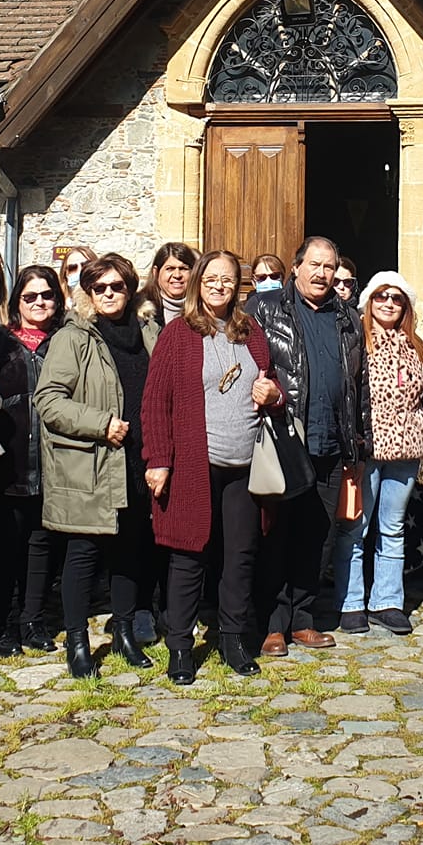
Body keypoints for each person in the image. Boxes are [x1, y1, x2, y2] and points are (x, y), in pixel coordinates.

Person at [142, 249, 283, 682]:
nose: (220, 286)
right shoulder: (178, 335)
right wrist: (159, 461)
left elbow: (271, 385)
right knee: (188, 556)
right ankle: (181, 646)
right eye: (211, 279)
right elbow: (155, 404)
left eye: (227, 280)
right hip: (193, 464)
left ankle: (234, 639)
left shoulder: (250, 331)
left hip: (244, 464)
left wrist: (272, 394)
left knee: (240, 557)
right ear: (198, 283)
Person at [36, 253, 160, 679]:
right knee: (84, 555)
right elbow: (48, 400)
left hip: (139, 460)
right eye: (100, 288)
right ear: (88, 292)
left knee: (130, 552)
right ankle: (77, 642)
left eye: (117, 286)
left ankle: (124, 633)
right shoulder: (74, 338)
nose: (110, 294)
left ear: (130, 288)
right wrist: (100, 423)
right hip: (92, 462)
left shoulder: (147, 333)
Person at [251, 236, 371, 655]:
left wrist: (361, 441)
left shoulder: (348, 318)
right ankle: (271, 624)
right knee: (278, 534)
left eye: (329, 267)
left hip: (333, 441)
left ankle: (303, 619)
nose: (322, 274)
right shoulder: (265, 310)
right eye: (314, 265)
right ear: (296, 267)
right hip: (287, 438)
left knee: (318, 535)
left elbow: (360, 384)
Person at [0, 264, 68, 656]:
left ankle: (33, 619)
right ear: (17, 302)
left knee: (41, 543)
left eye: (46, 295)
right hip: (6, 458)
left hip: (53, 458)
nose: (39, 302)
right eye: (30, 296)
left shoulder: (65, 341)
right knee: (3, 547)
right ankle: (2, 625)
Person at [337, 272, 423, 636]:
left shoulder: (416, 345)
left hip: (405, 449)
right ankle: (351, 602)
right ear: (368, 302)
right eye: (381, 297)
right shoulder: (357, 342)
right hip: (367, 448)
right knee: (355, 527)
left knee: (392, 527)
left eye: (396, 298)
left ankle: (387, 600)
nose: (389, 303)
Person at [148, 243, 199, 328]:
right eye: (170, 269)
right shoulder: (141, 315)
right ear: (156, 272)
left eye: (183, 268)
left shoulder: (204, 312)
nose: (177, 275)